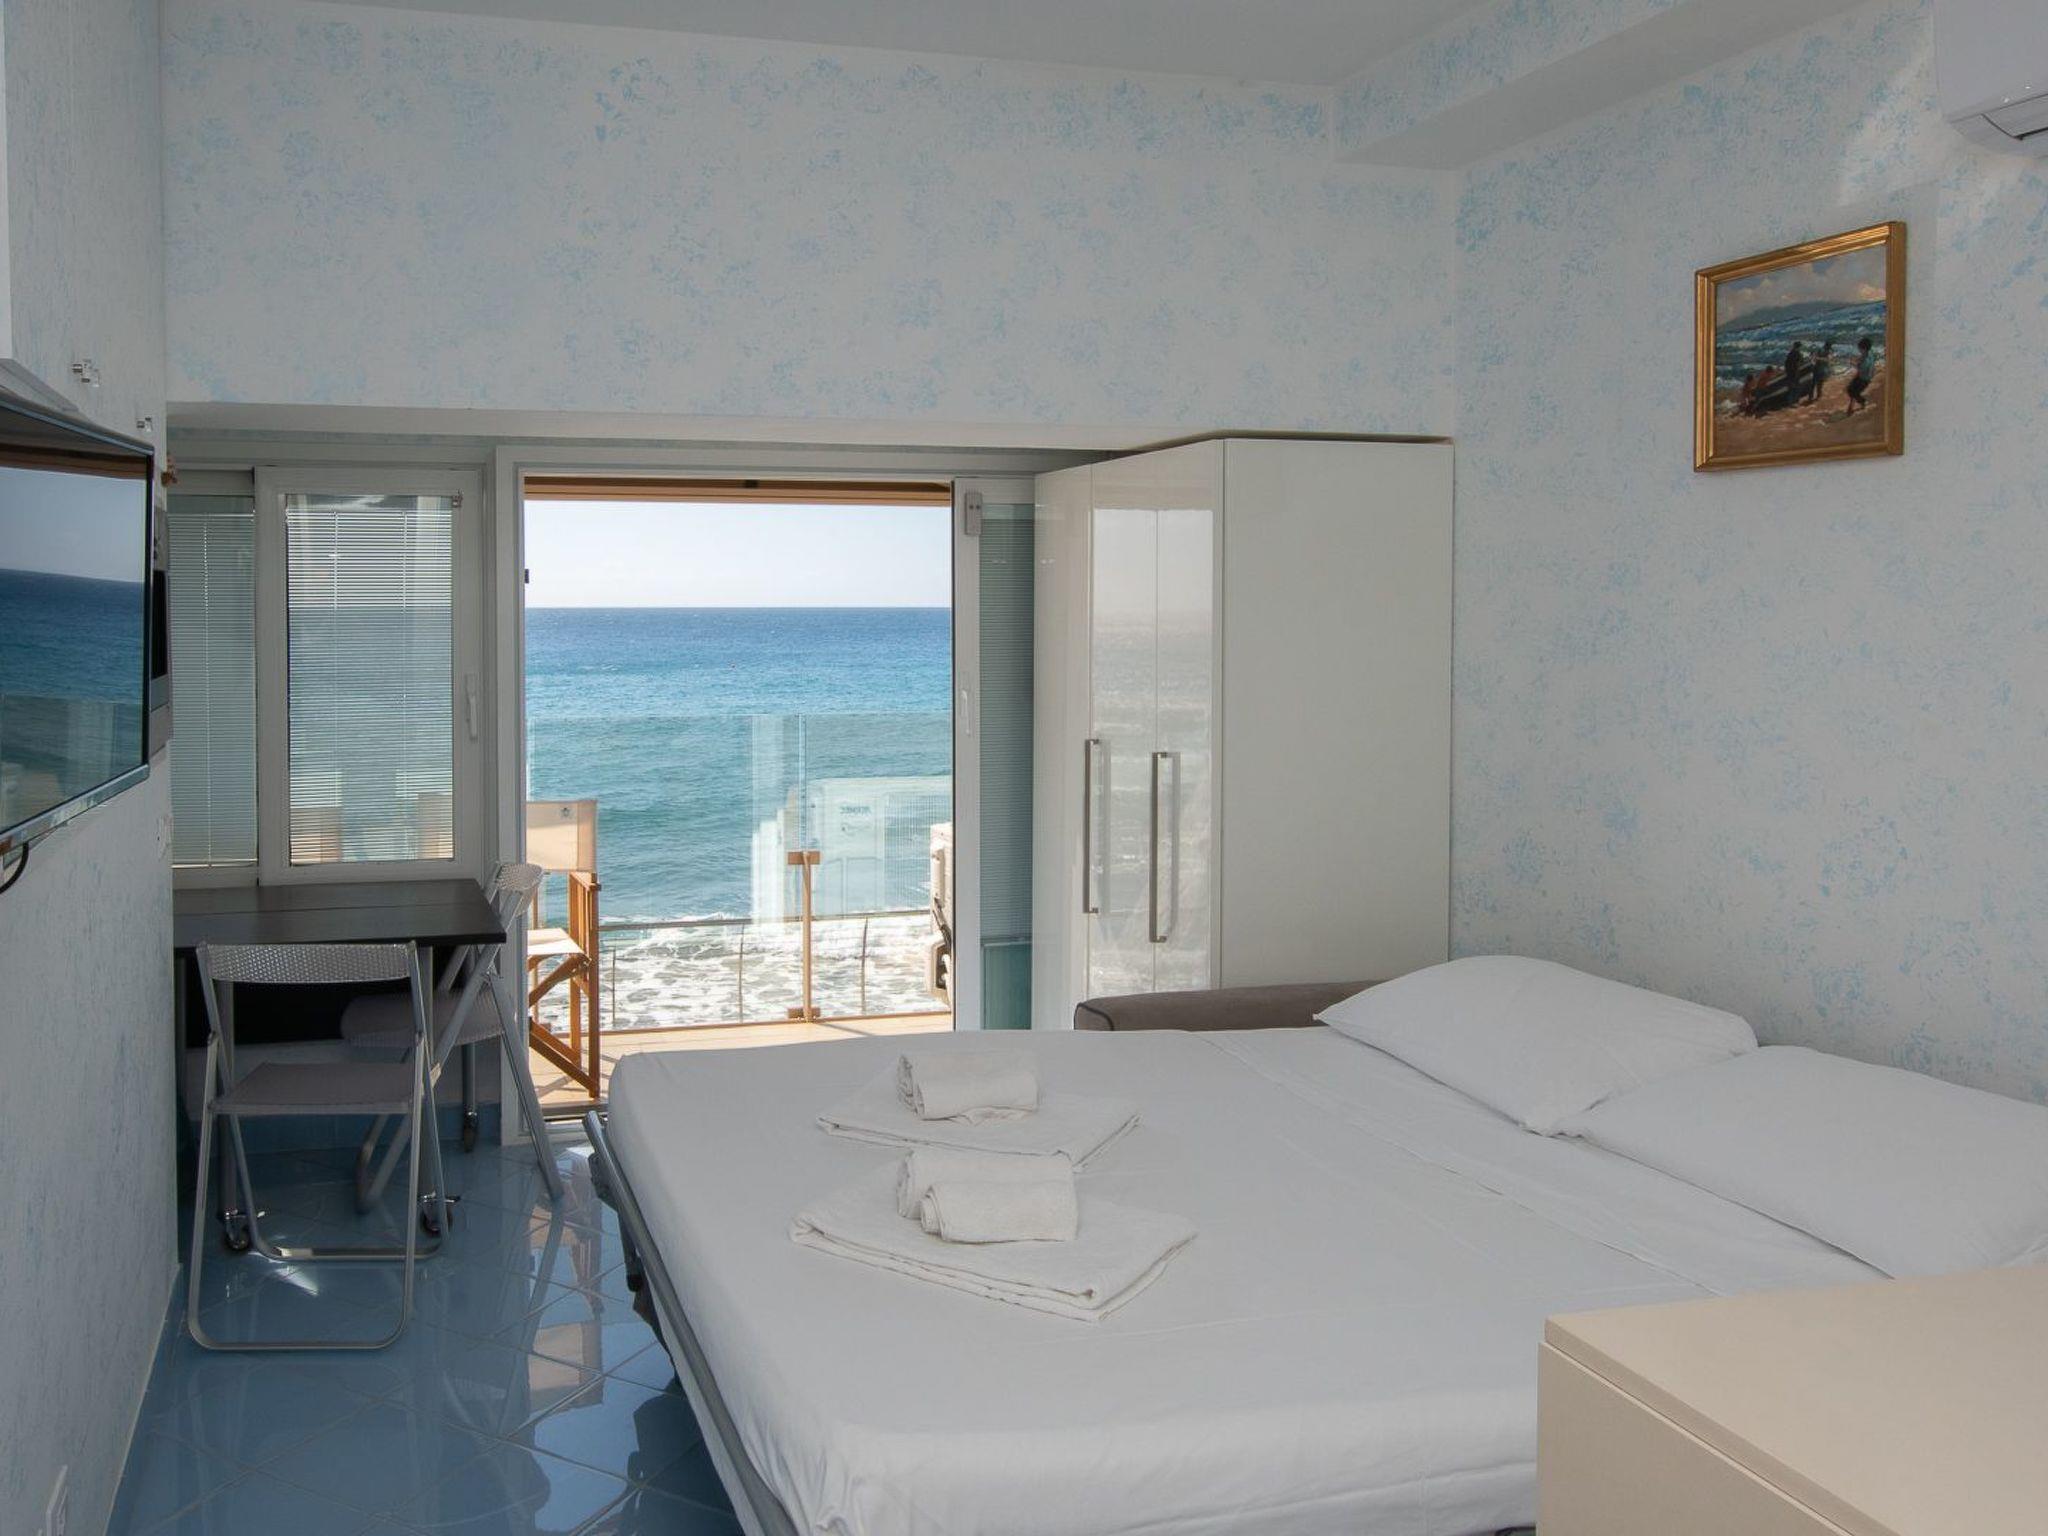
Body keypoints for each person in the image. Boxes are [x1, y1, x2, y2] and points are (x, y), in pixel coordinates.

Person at [1845, 337, 1876, 412]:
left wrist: (1852, 363)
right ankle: (1852, 405)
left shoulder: (1866, 360)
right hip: (1863, 377)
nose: (1859, 350)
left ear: (1864, 349)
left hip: (1864, 379)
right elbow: (1862, 359)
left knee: (1853, 392)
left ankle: (1862, 402)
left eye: (1860, 349)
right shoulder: (1869, 353)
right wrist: (1858, 360)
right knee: (1851, 389)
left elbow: (1860, 368)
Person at [1806, 340, 1834, 404]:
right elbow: (1828, 359)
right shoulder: (1827, 350)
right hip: (1821, 369)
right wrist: (1815, 359)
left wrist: (1817, 358)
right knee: (1817, 383)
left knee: (1816, 383)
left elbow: (1827, 359)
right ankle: (1815, 396)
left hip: (1820, 368)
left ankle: (1814, 396)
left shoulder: (1822, 350)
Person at [1783, 341, 1807, 405]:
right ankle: (1794, 402)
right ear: (1799, 347)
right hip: (1795, 373)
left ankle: (1790, 402)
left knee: (1791, 388)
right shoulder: (1798, 354)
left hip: (1789, 373)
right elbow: (1802, 362)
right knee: (1796, 388)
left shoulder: (1790, 353)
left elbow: (1786, 363)